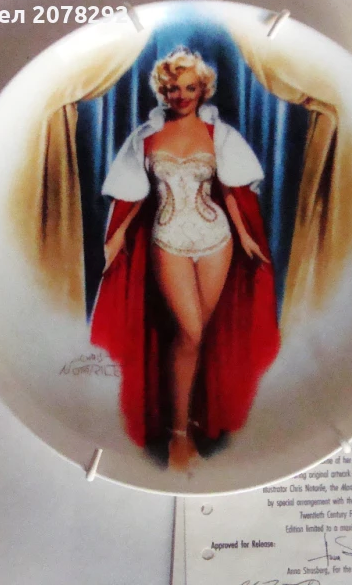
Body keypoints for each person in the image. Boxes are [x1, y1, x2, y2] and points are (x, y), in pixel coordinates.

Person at [89, 46, 280, 471]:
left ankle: (190, 418)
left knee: (201, 335)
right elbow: (135, 195)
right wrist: (116, 235)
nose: (182, 96)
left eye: (190, 88)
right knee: (189, 334)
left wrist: (245, 236)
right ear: (163, 90)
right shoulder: (146, 137)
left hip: (217, 239)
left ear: (202, 90)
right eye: (174, 89)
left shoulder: (218, 135)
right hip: (168, 239)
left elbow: (229, 188)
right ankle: (178, 433)